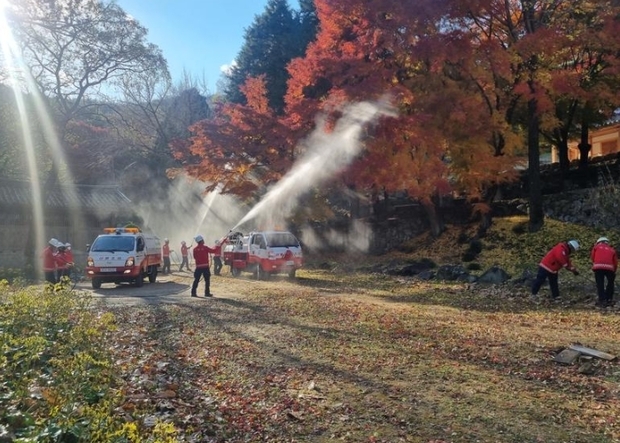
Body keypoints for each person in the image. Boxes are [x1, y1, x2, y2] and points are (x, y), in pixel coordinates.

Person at [591, 236, 617, 307]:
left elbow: (592, 257)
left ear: (598, 242)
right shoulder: (612, 249)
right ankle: (609, 299)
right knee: (610, 283)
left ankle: (602, 300)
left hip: (598, 267)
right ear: (607, 242)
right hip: (610, 268)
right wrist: (614, 271)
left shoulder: (596, 247)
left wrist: (595, 264)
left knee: (600, 284)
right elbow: (615, 262)